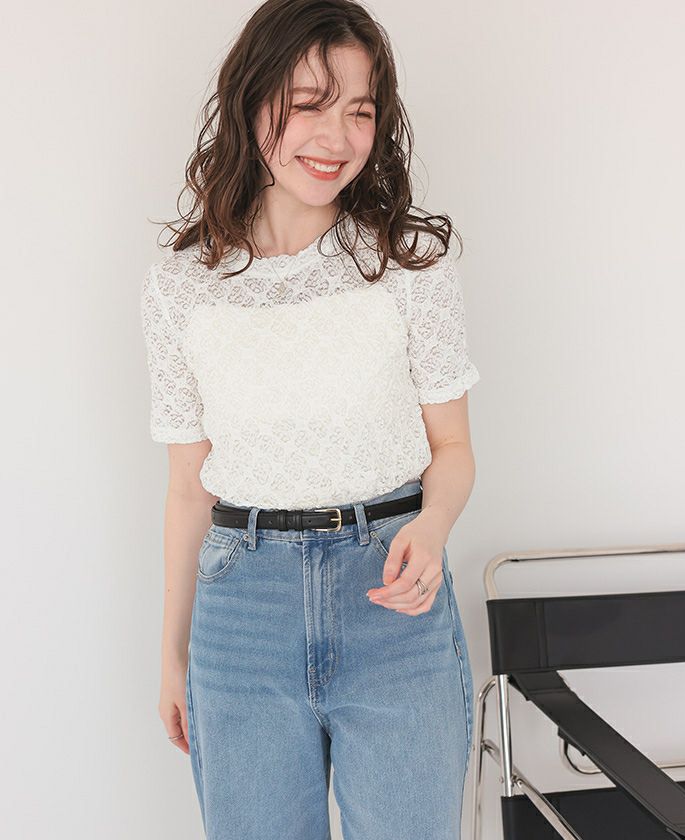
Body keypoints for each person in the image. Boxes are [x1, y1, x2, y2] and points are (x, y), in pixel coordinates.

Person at [140, 0, 480, 837]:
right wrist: (173, 654)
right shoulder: (182, 286)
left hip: (392, 600)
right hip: (241, 615)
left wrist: (433, 525)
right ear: (251, 100)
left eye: (360, 110)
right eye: (308, 104)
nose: (337, 137)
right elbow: (188, 488)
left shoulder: (408, 266)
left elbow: (452, 447)